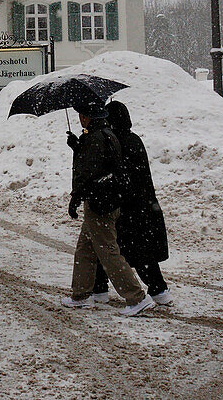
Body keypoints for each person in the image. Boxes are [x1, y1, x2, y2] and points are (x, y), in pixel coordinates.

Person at [62, 101, 155, 317]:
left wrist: (75, 199)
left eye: (81, 115)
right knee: (85, 249)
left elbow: (87, 173)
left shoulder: (94, 139)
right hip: (108, 200)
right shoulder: (106, 134)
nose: (79, 118)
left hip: (99, 204)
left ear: (87, 117)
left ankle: (137, 297)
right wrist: (78, 146)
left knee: (108, 251)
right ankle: (81, 295)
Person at [92, 101, 172, 305]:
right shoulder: (132, 139)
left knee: (111, 247)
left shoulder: (118, 142)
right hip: (142, 205)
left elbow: (113, 172)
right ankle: (158, 290)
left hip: (127, 207)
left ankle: (103, 289)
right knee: (131, 250)